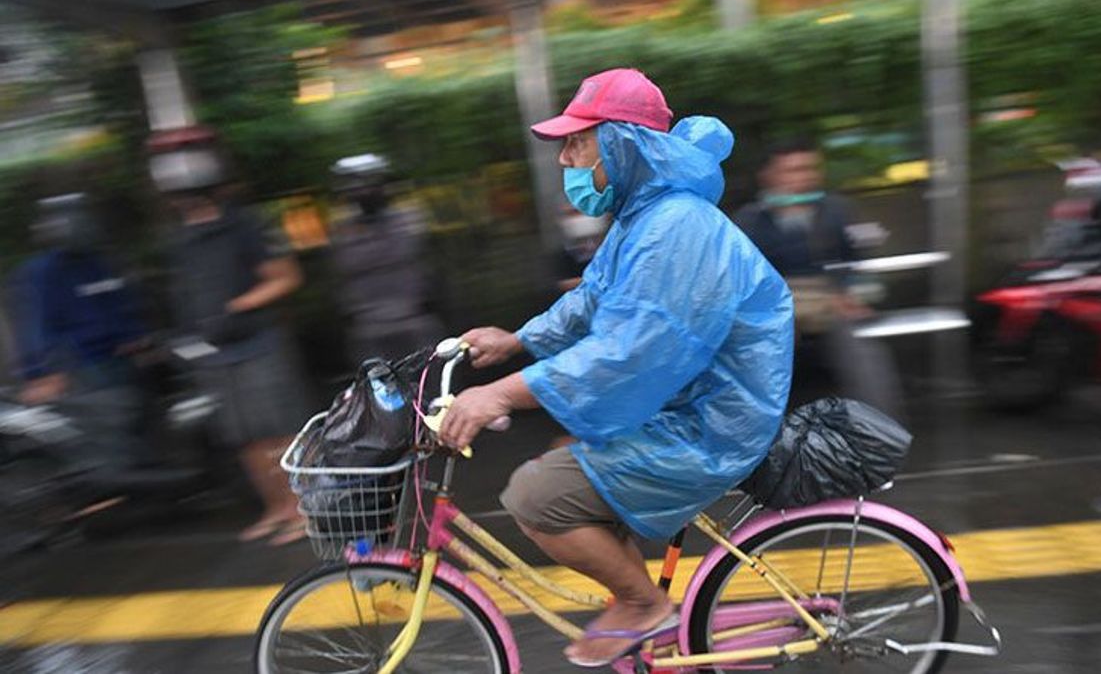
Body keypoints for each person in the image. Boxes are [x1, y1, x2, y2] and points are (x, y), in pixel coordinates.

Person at [438, 68, 794, 667]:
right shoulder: (645, 217)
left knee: (536, 496)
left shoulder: (675, 227)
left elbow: (627, 353)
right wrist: (516, 340)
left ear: (622, 143)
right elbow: (591, 301)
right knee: (567, 458)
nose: (564, 160)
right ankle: (640, 613)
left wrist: (497, 395)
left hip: (709, 424)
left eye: (577, 141)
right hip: (686, 403)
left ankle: (641, 605)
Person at [150, 127, 310, 546]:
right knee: (244, 437)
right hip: (214, 352)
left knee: (279, 431)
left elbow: (285, 277)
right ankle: (276, 509)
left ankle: (304, 509)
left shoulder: (245, 223)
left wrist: (237, 308)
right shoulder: (178, 237)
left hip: (257, 343)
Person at [735, 138, 902, 416]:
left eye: (809, 169)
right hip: (777, 308)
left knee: (865, 357)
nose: (803, 178)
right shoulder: (750, 221)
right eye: (792, 170)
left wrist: (855, 295)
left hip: (832, 303)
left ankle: (882, 431)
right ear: (769, 176)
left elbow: (863, 264)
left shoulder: (838, 212)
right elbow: (740, 277)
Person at [7, 194, 150, 471]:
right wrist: (40, 373)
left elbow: (121, 303)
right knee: (109, 433)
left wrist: (136, 338)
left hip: (118, 360)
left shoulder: (100, 262)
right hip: (81, 367)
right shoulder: (42, 272)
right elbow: (35, 325)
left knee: (133, 421)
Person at [328, 154, 443, 365]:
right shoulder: (342, 231)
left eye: (368, 182)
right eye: (352, 184)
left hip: (414, 322)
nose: (360, 190)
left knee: (430, 388)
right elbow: (343, 274)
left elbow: (430, 269)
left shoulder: (410, 220)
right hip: (369, 329)